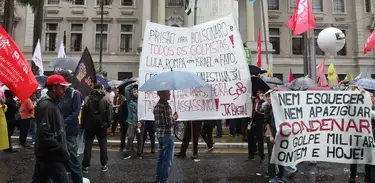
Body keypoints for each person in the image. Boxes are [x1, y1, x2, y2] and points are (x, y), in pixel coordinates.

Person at [31, 74, 70, 183]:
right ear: (54, 88)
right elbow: (45, 134)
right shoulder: (46, 106)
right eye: (62, 87)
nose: (65, 90)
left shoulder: (52, 104)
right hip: (51, 156)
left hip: (46, 155)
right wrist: (61, 150)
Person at [57, 71, 83, 183]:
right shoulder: (57, 94)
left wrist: (62, 121)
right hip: (58, 131)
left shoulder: (74, 94)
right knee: (58, 157)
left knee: (73, 157)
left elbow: (76, 112)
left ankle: (78, 180)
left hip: (69, 131)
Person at [81, 83, 112, 173]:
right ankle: (104, 165)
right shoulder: (106, 98)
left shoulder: (87, 98)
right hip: (102, 125)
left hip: (89, 125)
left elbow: (83, 113)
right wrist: (108, 124)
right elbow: (109, 114)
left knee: (88, 145)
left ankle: (85, 166)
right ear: (101, 88)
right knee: (103, 145)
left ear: (93, 88)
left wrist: (83, 124)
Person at [264, 90, 289, 183]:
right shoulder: (268, 107)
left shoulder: (281, 107)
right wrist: (270, 136)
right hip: (271, 134)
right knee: (272, 155)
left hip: (281, 135)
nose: (268, 98)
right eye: (267, 96)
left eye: (270, 96)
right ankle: (272, 176)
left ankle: (281, 175)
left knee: (281, 154)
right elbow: (266, 123)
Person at [154, 90, 178, 183]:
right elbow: (169, 123)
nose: (170, 94)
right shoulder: (166, 107)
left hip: (160, 135)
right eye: (168, 92)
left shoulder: (156, 106)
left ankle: (158, 178)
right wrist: (175, 118)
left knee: (160, 158)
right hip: (168, 135)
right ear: (163, 94)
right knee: (167, 160)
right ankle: (163, 180)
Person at [123, 82, 144, 159]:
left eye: (137, 91)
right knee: (130, 137)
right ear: (132, 94)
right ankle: (127, 152)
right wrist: (134, 83)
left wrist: (141, 121)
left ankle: (139, 153)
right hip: (132, 122)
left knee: (140, 138)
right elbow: (126, 89)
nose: (136, 93)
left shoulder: (142, 101)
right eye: (134, 92)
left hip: (141, 123)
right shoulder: (129, 100)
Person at [248, 90, 266, 161]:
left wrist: (261, 101)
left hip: (259, 123)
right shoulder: (253, 100)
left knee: (260, 140)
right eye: (258, 92)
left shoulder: (264, 102)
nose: (259, 94)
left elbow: (263, 112)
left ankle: (262, 156)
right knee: (250, 140)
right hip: (251, 123)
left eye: (261, 92)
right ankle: (251, 155)